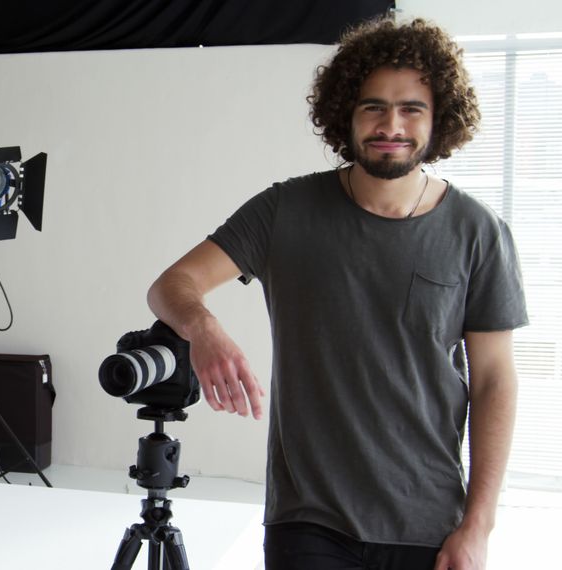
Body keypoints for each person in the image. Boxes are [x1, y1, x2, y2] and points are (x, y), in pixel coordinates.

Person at [146, 17, 527, 570]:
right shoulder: (285, 211)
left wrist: (479, 524)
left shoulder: (477, 232)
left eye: (411, 108)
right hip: (309, 519)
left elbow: (494, 380)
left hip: (427, 521)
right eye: (372, 106)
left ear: (439, 117)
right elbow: (171, 285)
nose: (389, 124)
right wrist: (202, 328)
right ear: (345, 113)